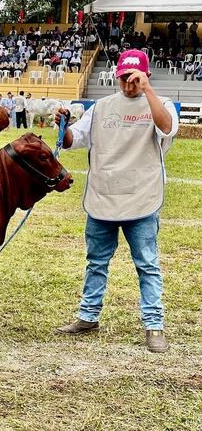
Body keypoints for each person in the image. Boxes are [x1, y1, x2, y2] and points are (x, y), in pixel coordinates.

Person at [55, 50, 178, 353]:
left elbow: (167, 128)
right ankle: (88, 316)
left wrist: (148, 90)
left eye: (135, 77)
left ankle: (153, 325)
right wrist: (62, 126)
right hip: (103, 196)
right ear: (117, 75)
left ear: (146, 76)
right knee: (96, 262)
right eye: (124, 76)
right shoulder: (101, 107)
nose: (129, 83)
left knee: (147, 264)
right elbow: (74, 139)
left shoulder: (160, 105)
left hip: (141, 198)